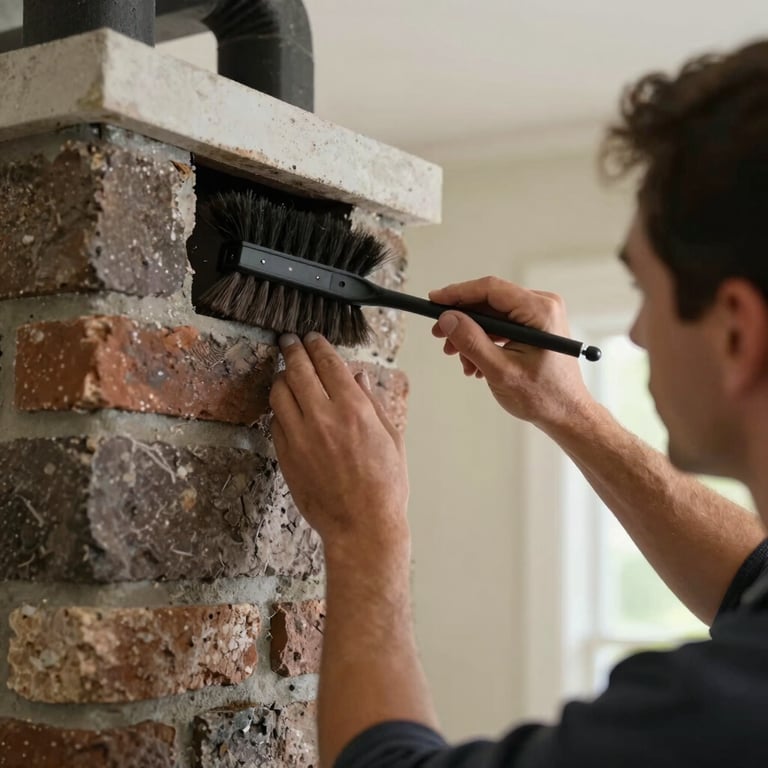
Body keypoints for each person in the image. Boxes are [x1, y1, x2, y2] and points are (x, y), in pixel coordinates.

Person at [268, 40, 768, 768]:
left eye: (645, 292)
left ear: (735, 331)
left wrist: (363, 536)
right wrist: (572, 414)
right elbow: (753, 580)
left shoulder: (719, 718)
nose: (635, 331)